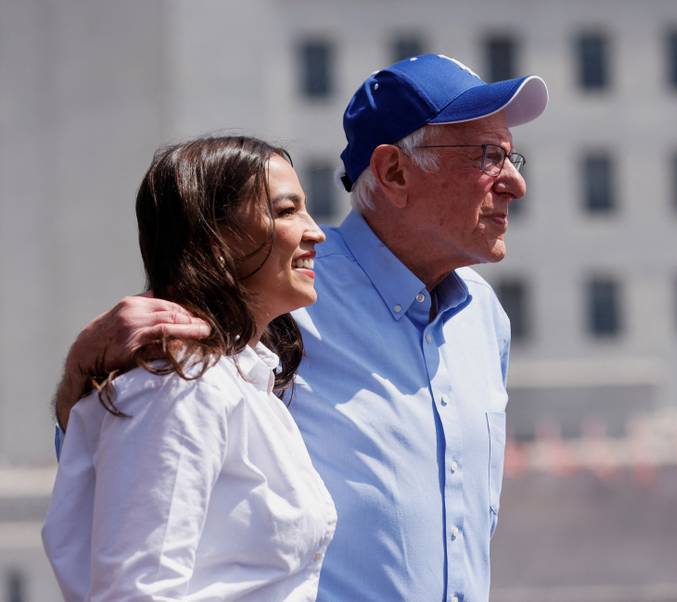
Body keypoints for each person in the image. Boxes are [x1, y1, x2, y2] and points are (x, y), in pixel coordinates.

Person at [53, 54, 548, 601]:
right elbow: (136, 452)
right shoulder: (272, 294)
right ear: (394, 171)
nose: (516, 184)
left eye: (510, 155)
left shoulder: (485, 317)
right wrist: (83, 370)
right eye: (488, 155)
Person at [43, 136, 336, 601]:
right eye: (286, 211)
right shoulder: (183, 387)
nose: (316, 231)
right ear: (216, 240)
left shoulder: (241, 380)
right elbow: (139, 591)